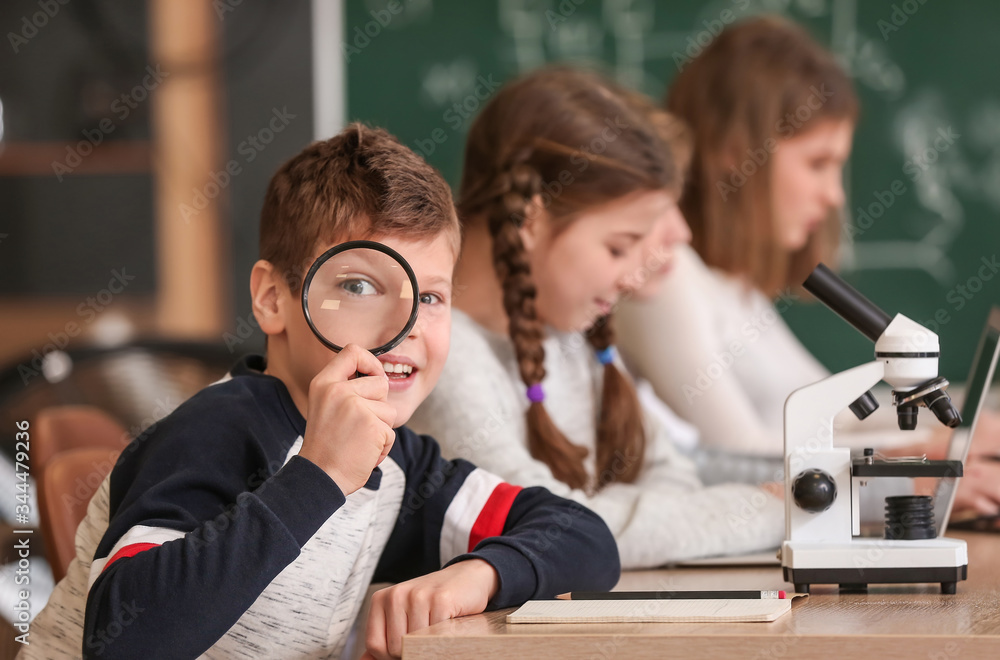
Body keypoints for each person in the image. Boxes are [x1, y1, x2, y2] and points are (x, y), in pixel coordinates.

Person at [22, 125, 620, 660]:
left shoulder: (400, 461)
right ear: (273, 298)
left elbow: (584, 536)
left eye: (431, 297)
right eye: (360, 285)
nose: (406, 325)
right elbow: (122, 639)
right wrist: (319, 476)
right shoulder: (215, 431)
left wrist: (483, 573)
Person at [616, 15, 1000, 514]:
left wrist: (962, 425)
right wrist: (916, 462)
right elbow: (736, 457)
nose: (834, 195)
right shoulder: (666, 280)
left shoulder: (732, 288)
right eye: (818, 163)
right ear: (738, 153)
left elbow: (839, 416)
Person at [408, 66, 785, 571]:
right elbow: (550, 529)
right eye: (618, 247)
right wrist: (767, 510)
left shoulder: (567, 336)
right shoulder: (442, 357)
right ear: (531, 219)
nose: (634, 277)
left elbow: (671, 473)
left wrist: (646, 522)